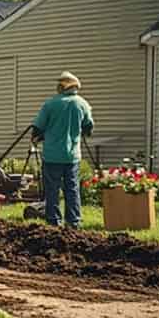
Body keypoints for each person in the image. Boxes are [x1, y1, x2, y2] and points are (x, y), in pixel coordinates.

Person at [31, 71, 94, 228]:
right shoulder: (82, 104)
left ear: (62, 86)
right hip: (72, 155)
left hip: (52, 155)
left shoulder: (50, 104)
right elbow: (88, 128)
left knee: (52, 189)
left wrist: (37, 137)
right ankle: (73, 222)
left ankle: (54, 221)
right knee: (72, 189)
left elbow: (37, 128)